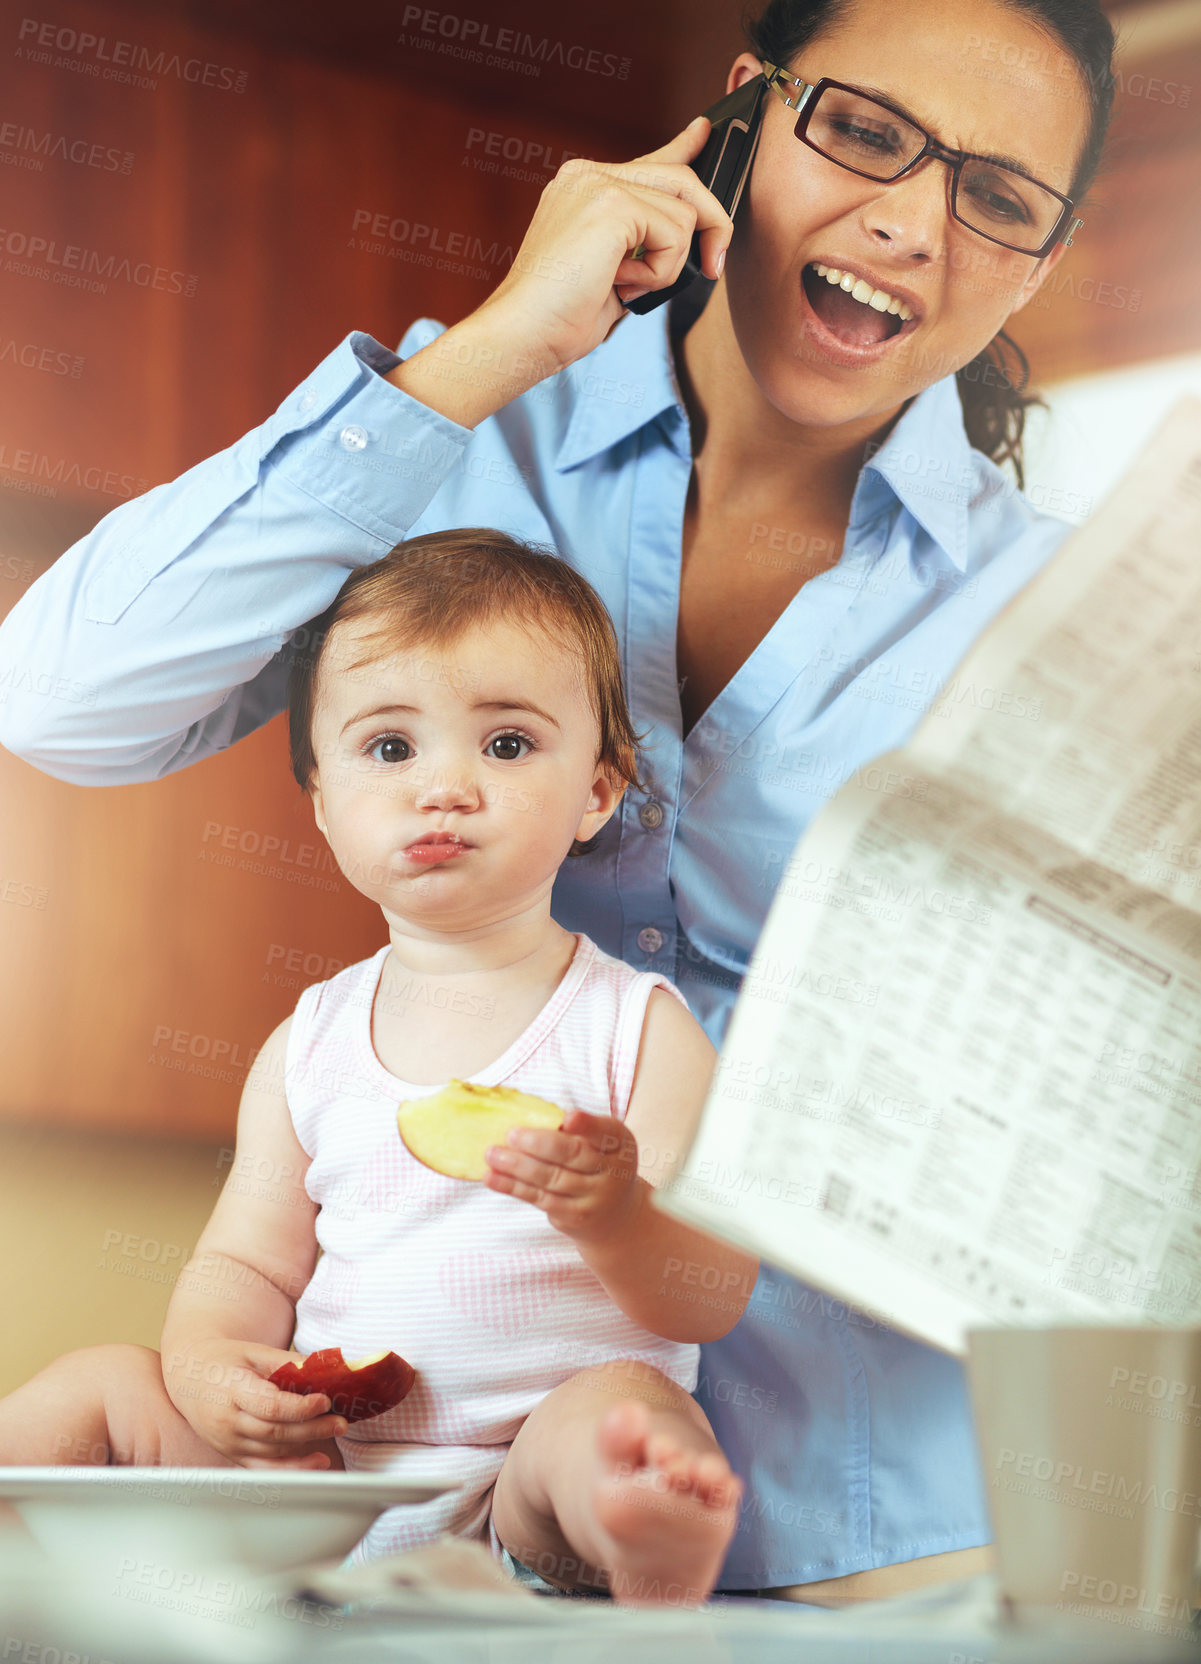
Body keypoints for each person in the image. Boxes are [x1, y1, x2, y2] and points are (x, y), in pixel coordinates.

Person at [0, 0, 1116, 1606]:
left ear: (1039, 259)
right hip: (411, 1502)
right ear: (742, 116)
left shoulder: (1070, 625)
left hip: (878, 1522)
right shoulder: (453, 447)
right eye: (865, 132)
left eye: (999, 198)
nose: (911, 222)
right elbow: (63, 703)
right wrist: (506, 338)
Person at [0, 530, 758, 1607]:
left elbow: (711, 1292)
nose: (442, 786)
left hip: (513, 1492)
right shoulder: (307, 1042)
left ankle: (643, 1526)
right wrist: (214, 1371)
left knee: (622, 1409)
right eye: (390, 748)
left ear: (595, 791)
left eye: (504, 744)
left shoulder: (636, 1026)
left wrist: (616, 1216)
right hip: (312, 1492)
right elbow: (246, 1270)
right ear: (321, 800)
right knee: (102, 1383)